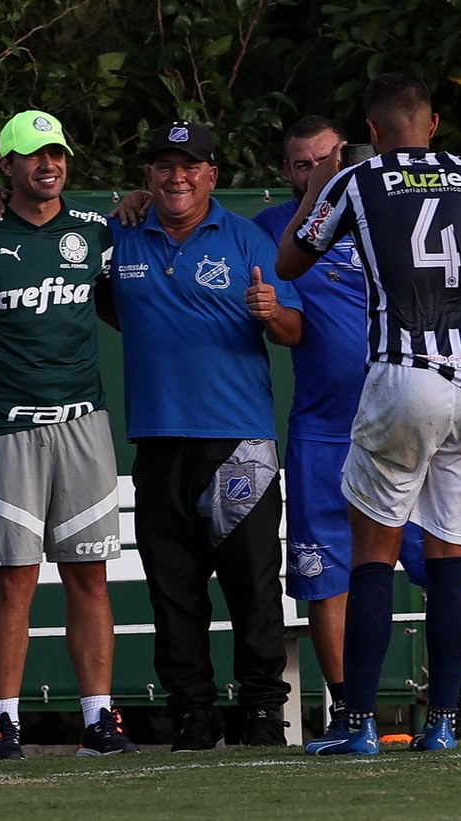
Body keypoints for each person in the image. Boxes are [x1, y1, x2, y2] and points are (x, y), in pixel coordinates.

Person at [275, 73, 461, 755]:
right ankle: (441, 722)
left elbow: (290, 262)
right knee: (449, 555)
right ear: (432, 124)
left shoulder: (357, 181)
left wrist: (319, 183)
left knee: (372, 554)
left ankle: (358, 723)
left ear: (370, 133)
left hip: (404, 374)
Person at [0, 110, 139, 759]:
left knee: (90, 577)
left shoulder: (94, 231)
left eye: (55, 153)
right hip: (6, 431)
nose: (46, 165)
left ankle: (100, 721)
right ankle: (2, 722)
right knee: (13, 579)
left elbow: (123, 310)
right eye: (31, 155)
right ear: (6, 166)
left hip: (84, 424)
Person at [108, 121, 303, 750]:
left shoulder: (247, 239)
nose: (176, 177)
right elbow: (47, 232)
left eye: (189, 166)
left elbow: (295, 329)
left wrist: (274, 314)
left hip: (239, 443)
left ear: (212, 175)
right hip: (158, 441)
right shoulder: (120, 235)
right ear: (149, 178)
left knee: (252, 586)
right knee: (174, 592)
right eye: (164, 166)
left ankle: (264, 713)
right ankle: (192, 713)